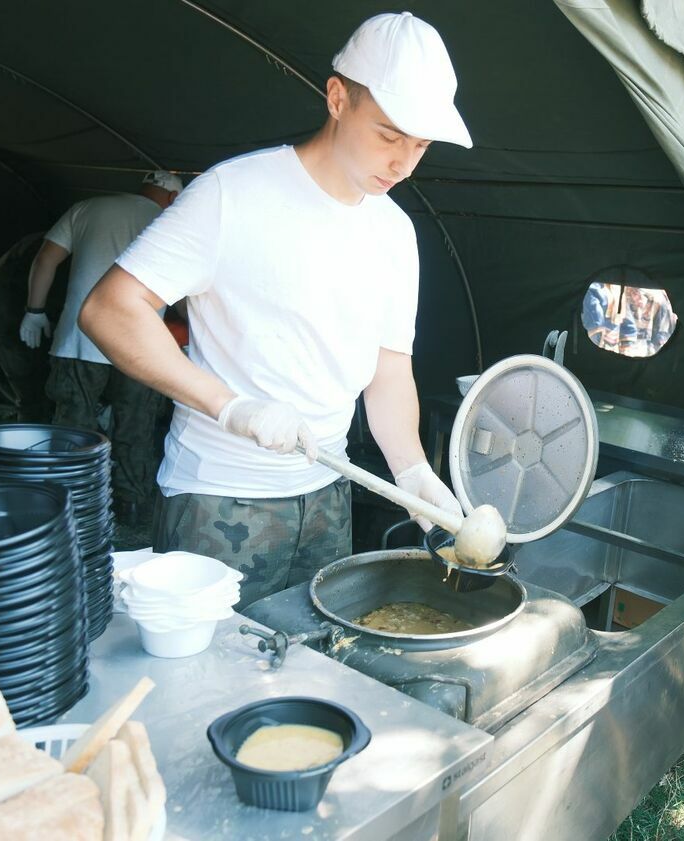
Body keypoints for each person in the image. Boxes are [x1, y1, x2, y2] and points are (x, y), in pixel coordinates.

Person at [78, 12, 473, 606]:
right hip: (218, 497)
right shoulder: (232, 195)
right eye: (390, 136)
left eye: (421, 146)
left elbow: (389, 374)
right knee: (209, 685)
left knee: (312, 669)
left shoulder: (395, 232)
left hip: (330, 490)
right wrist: (229, 406)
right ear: (337, 98)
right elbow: (110, 309)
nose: (404, 163)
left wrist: (415, 474)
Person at [20, 171, 183, 524]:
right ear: (172, 197)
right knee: (134, 427)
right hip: (140, 346)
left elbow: (46, 260)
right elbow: (184, 291)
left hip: (78, 339)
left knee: (71, 428)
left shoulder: (86, 208)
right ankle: (133, 506)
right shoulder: (171, 220)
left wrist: (34, 312)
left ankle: (66, 507)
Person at [0, 232, 63, 421]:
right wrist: (36, 313)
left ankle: (36, 432)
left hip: (10, 308)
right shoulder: (54, 242)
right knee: (30, 388)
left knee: (34, 385)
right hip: (3, 311)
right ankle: (31, 441)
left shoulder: (56, 238)